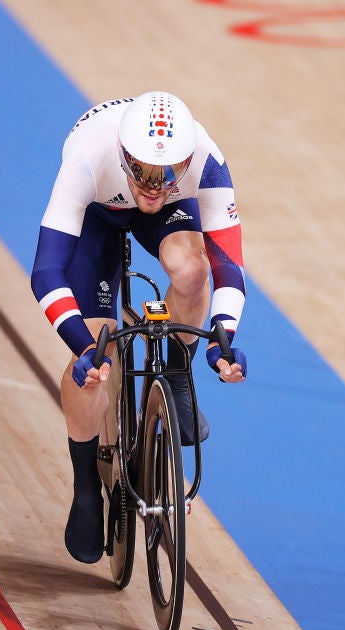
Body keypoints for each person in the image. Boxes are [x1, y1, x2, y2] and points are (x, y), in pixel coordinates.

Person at [30, 91, 248, 563]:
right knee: (96, 358)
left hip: (170, 214)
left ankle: (175, 376)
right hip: (97, 215)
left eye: (167, 174)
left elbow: (229, 267)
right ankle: (86, 480)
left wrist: (224, 338)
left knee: (192, 270)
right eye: (143, 172)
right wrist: (83, 345)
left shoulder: (207, 163)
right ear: (125, 157)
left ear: (185, 162)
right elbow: (46, 272)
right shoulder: (88, 157)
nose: (153, 185)